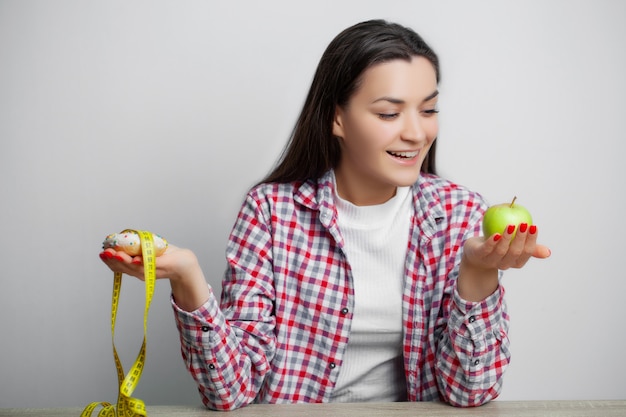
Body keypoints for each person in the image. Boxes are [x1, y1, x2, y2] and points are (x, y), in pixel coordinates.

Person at [99, 19, 551, 410]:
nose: (416, 132)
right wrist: (187, 277)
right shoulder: (271, 213)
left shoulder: (458, 213)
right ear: (337, 119)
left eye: (429, 109)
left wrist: (476, 273)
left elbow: (471, 392)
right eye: (390, 112)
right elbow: (229, 393)